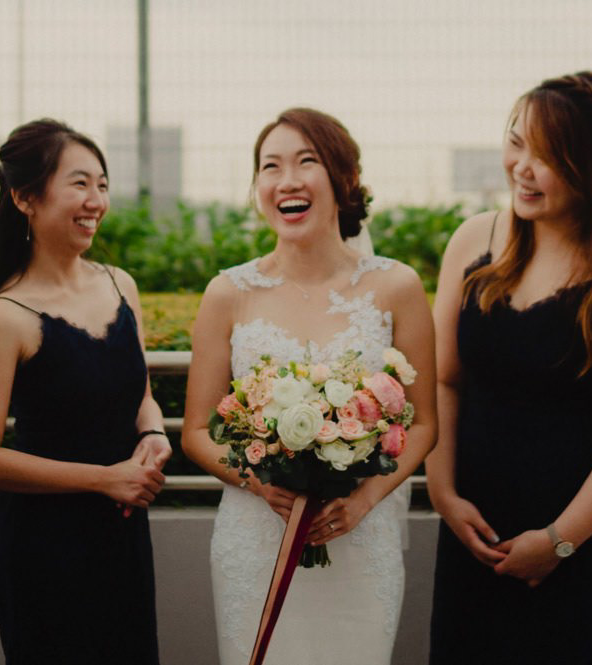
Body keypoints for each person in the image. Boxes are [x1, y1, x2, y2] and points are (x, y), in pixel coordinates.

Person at [426, 71, 592, 664]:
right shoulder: (473, 240)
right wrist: (443, 493)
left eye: (546, 156)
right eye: (516, 142)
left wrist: (560, 541)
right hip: (476, 534)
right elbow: (443, 378)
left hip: (588, 543)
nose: (521, 168)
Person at [182, 107, 437, 665]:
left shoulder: (397, 286)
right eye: (270, 166)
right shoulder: (227, 293)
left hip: (358, 536)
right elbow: (197, 431)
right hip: (257, 538)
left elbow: (423, 423)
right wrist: (258, 484)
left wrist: (364, 501)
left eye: (306, 161)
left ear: (345, 177)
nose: (287, 180)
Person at [0, 119, 168, 665]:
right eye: (79, 183)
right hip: (43, 546)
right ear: (25, 197)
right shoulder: (8, 316)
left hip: (122, 534)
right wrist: (106, 479)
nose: (96, 200)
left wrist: (153, 431)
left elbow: (139, 393)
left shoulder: (121, 285)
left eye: (102, 184)